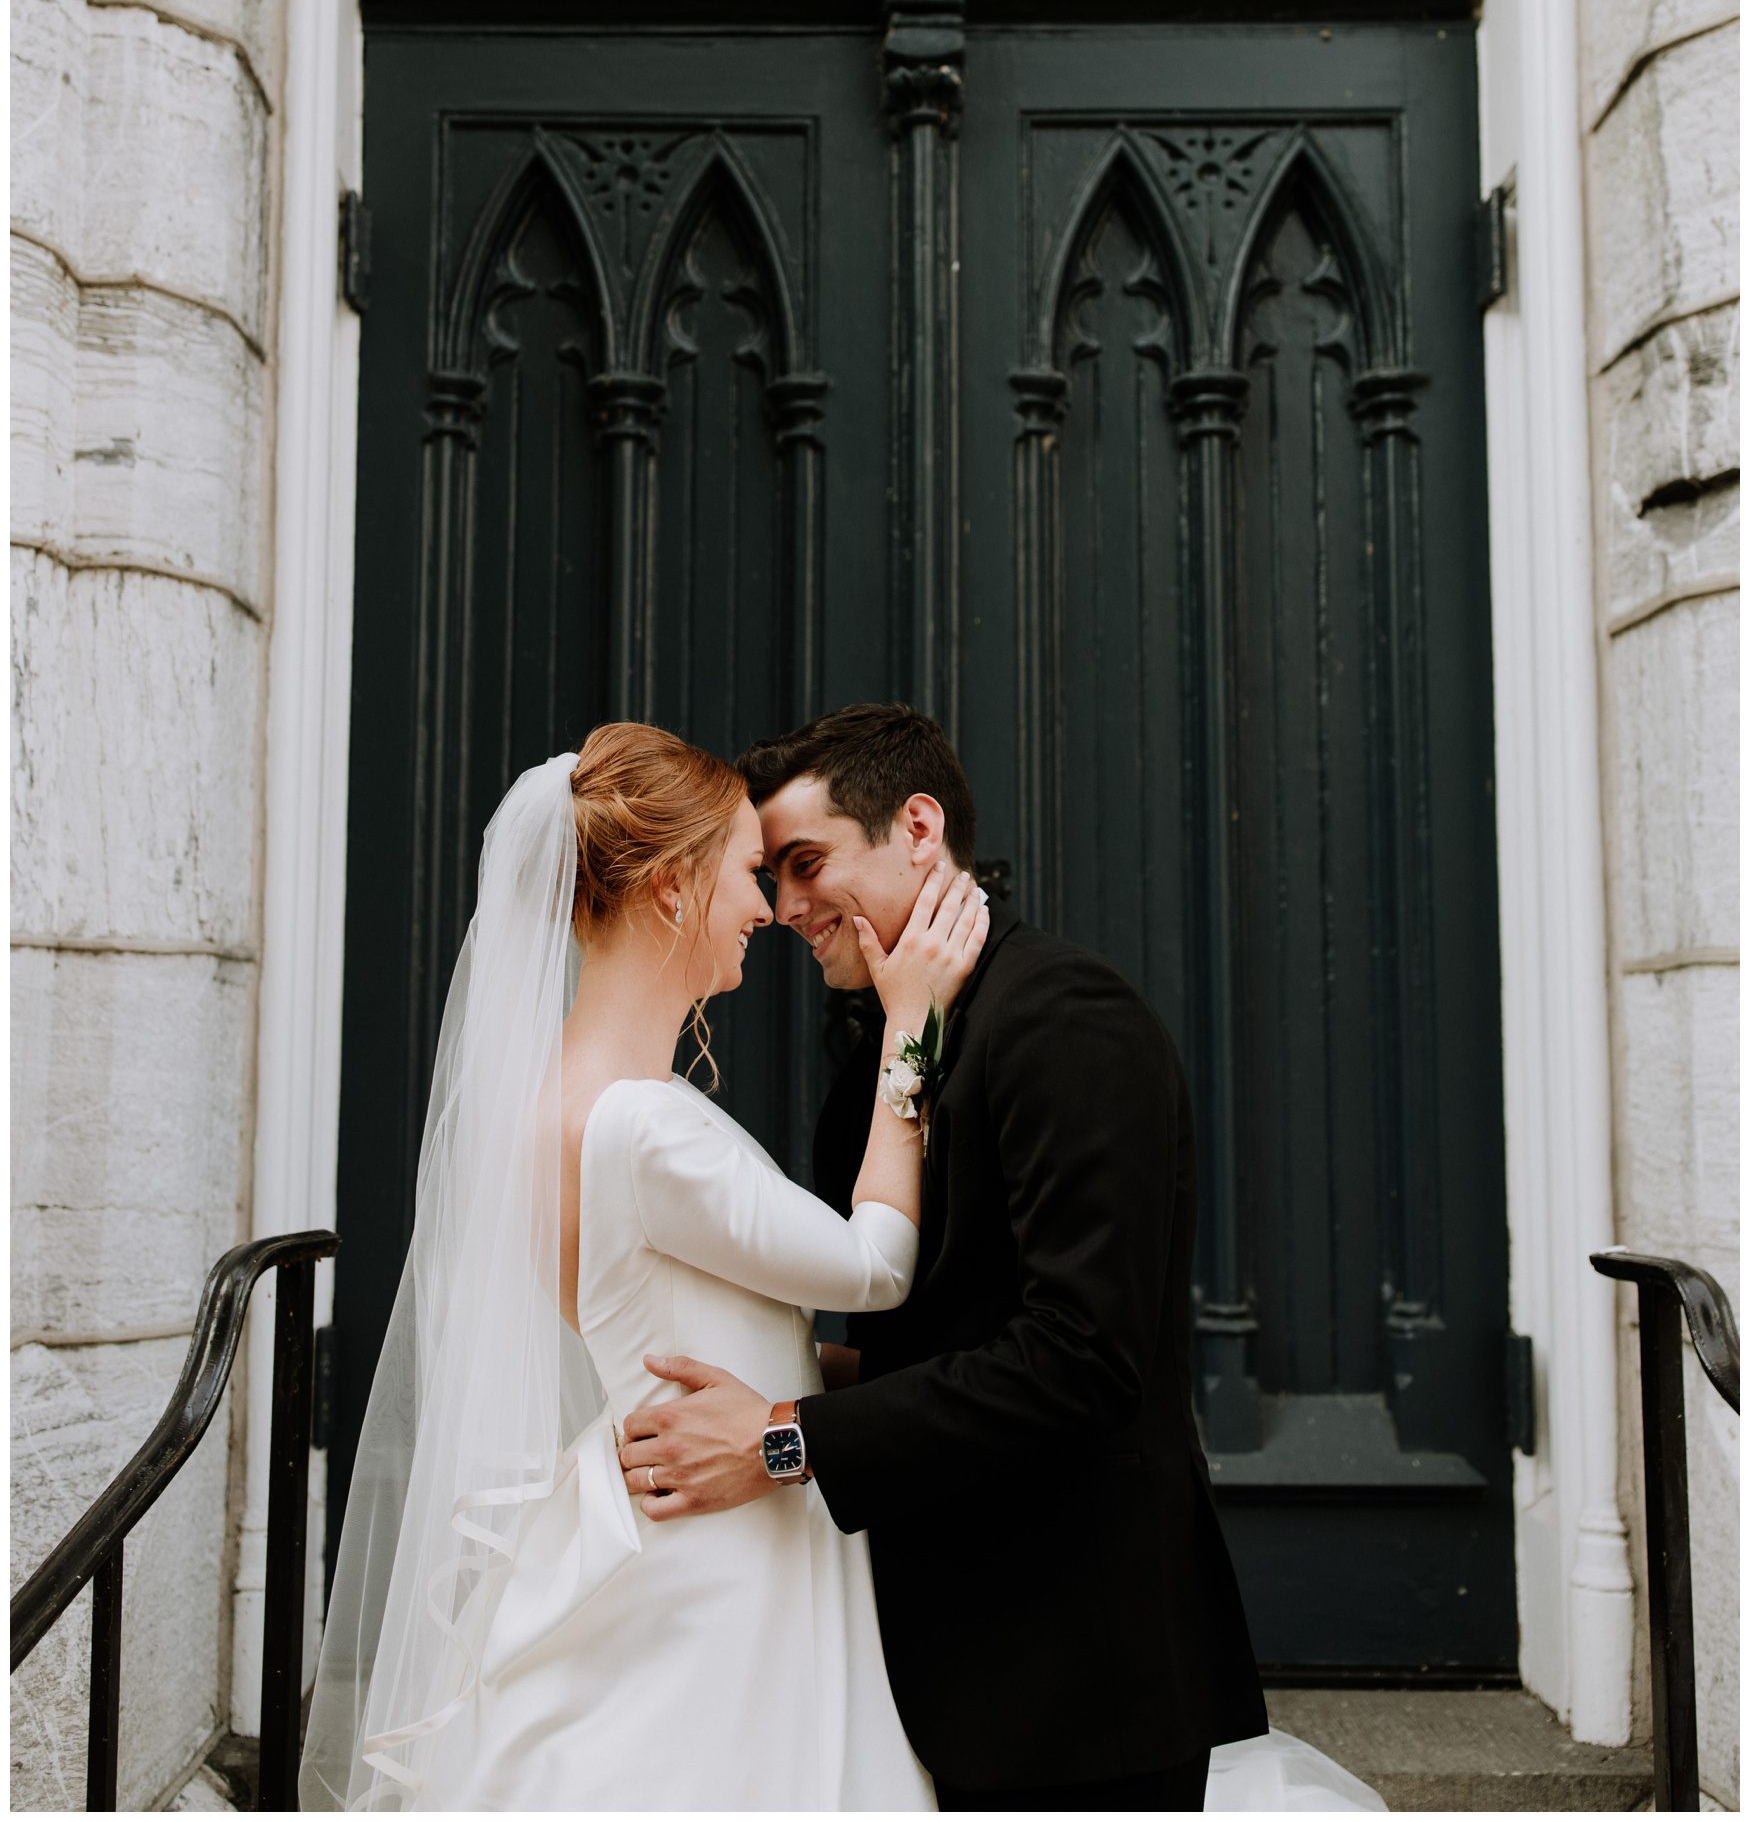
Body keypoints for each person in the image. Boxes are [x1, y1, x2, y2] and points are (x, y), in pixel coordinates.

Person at [616, 704, 1381, 1815]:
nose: (784, 907)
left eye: (807, 862)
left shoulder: (1066, 1021)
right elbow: (939, 1334)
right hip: (929, 1669)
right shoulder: (894, 1047)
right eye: (772, 876)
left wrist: (780, 1438)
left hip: (1072, 1687)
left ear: (917, 826)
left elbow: (1078, 1358)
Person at [300, 721, 988, 1812]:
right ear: (672, 887)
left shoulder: (545, 1106)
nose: (765, 908)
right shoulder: (640, 1125)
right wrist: (914, 1029)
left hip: (664, 1502)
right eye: (744, 875)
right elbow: (875, 1264)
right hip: (719, 1557)